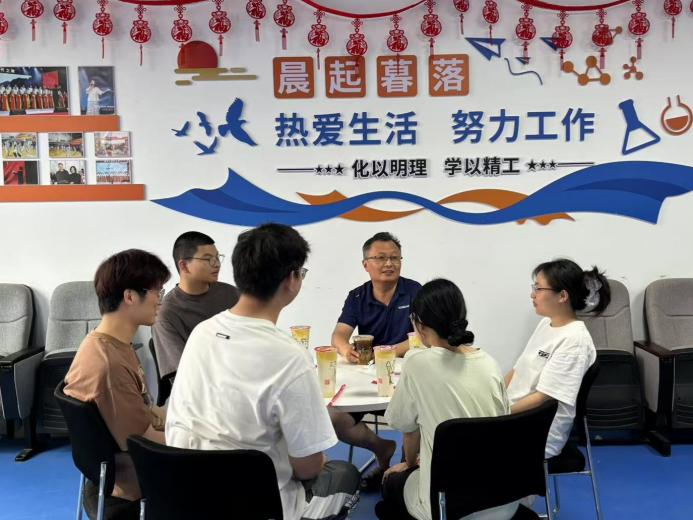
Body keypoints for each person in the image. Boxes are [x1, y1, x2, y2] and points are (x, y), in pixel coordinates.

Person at [166, 223, 360, 520]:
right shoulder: (289, 356)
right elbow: (307, 466)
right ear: (292, 280)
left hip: (185, 495)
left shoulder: (202, 333)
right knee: (345, 474)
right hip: (258, 504)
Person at [377, 279, 515, 520]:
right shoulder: (489, 363)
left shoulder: (417, 362)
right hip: (505, 498)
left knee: (391, 483)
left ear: (419, 326)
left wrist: (409, 464)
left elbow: (407, 428)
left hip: (446, 506)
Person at [64, 249, 170, 517]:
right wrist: (200, 439)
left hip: (123, 470)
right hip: (136, 483)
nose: (160, 300)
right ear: (130, 296)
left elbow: (145, 410)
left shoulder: (111, 343)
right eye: (157, 292)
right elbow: (143, 442)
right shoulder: (108, 364)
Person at [330, 231, 422, 489]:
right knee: (333, 418)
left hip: (406, 379)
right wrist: (345, 349)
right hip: (368, 380)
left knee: (420, 412)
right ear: (366, 264)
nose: (389, 264)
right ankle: (381, 448)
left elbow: (423, 336)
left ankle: (405, 469)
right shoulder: (357, 296)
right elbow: (339, 334)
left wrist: (389, 352)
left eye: (395, 258)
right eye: (381, 258)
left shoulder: (415, 291)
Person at [505, 258, 611, 458]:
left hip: (537, 431)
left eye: (538, 289)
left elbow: (543, 398)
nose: (532, 294)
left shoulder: (575, 341)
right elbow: (517, 370)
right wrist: (493, 397)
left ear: (562, 296)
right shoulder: (546, 323)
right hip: (514, 414)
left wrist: (498, 413)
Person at [152, 231, 239, 380]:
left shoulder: (232, 294)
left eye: (217, 257)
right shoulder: (166, 313)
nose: (216, 264)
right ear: (184, 266)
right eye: (208, 259)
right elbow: (183, 377)